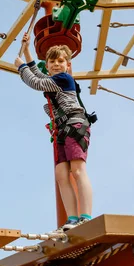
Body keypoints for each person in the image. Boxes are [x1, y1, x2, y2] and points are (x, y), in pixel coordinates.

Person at [14, 33, 95, 232]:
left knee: (77, 170)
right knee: (61, 175)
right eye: (52, 61)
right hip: (61, 128)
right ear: (47, 65)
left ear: (67, 65)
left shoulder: (64, 79)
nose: (57, 64)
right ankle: (73, 218)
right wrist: (26, 52)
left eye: (61, 61)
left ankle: (85, 216)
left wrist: (21, 66)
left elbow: (36, 82)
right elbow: (41, 76)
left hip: (74, 124)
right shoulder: (54, 79)